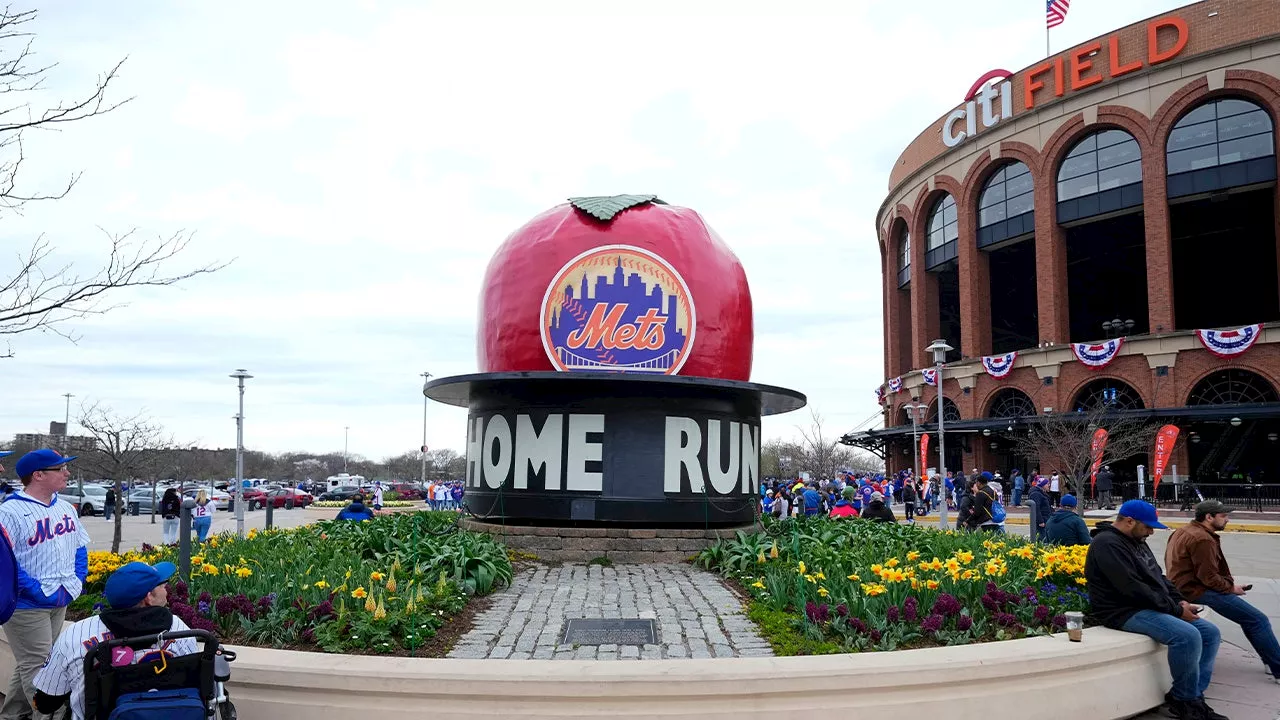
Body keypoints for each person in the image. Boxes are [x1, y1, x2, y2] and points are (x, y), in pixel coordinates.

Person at [1085, 500, 1224, 720]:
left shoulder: (1137, 540)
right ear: (1130, 521)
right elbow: (1131, 587)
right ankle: (1186, 703)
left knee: (1210, 634)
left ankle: (1191, 695)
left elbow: (1157, 577)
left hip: (1147, 604)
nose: (1151, 531)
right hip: (1122, 611)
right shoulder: (1107, 544)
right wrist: (1175, 611)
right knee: (1187, 636)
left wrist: (1179, 601)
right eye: (1148, 526)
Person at [31, 560, 199, 720]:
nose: (167, 589)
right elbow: (198, 682)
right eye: (163, 585)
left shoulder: (76, 634)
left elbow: (47, 703)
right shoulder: (178, 628)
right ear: (148, 597)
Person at [0, 450, 89, 720]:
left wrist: (77, 579)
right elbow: (6, 565)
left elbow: (79, 546)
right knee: (40, 666)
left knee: (36, 660)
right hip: (26, 604)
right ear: (38, 475)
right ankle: (50, 717)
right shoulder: (9, 511)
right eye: (59, 469)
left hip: (59, 598)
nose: (67, 473)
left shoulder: (65, 507)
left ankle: (12, 714)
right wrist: (37, 591)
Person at [1165, 500, 1280, 683]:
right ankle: (1278, 668)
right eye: (1223, 516)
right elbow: (1208, 577)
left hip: (1183, 587)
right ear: (1208, 517)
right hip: (1196, 590)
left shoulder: (1182, 531)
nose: (1227, 520)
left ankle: (1270, 660)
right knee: (1258, 620)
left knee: (1250, 620)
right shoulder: (1202, 538)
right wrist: (1230, 588)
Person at [1028, 477, 1054, 542]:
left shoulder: (1041, 493)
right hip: (1042, 520)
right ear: (1043, 485)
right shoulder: (1036, 494)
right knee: (1042, 537)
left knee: (1046, 536)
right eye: (1047, 484)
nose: (1049, 485)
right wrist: (1040, 521)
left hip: (1046, 518)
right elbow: (1036, 508)